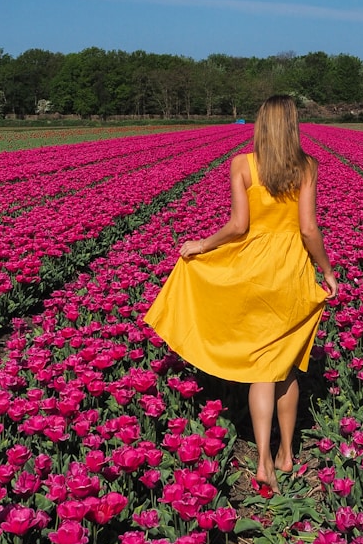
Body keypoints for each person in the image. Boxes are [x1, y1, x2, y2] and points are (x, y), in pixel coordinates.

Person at [144, 95, 338, 493]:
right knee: (285, 368)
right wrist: (328, 270)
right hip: (291, 274)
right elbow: (307, 230)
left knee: (261, 371)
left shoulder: (243, 165)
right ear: (293, 125)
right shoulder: (308, 167)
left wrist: (202, 244)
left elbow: (237, 226)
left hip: (253, 272)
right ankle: (287, 455)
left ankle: (264, 462)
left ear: (262, 125)